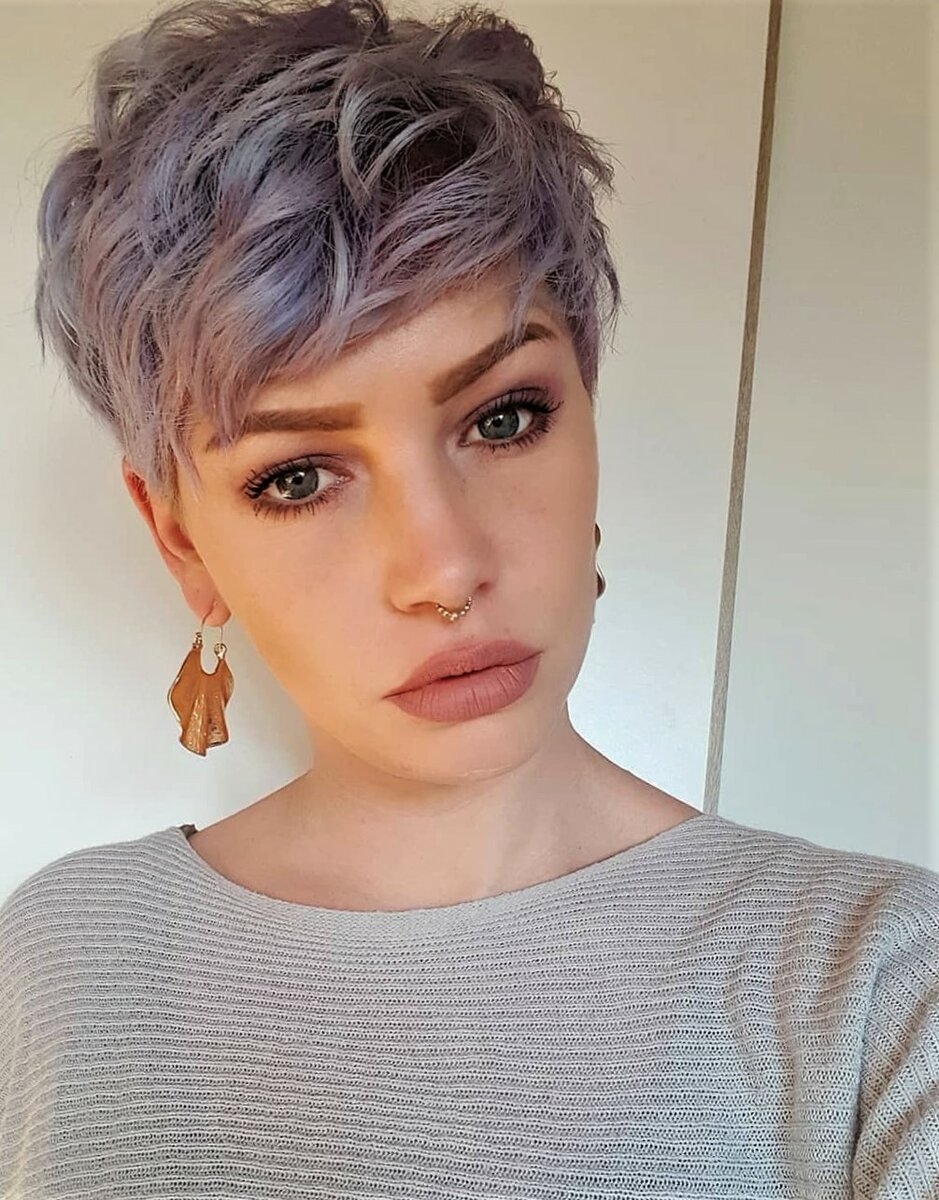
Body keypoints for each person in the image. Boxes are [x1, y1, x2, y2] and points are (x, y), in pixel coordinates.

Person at [1, 0, 937, 1196]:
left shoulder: (880, 990)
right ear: (181, 539)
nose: (445, 571)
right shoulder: (59, 959)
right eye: (297, 477)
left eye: (504, 419)